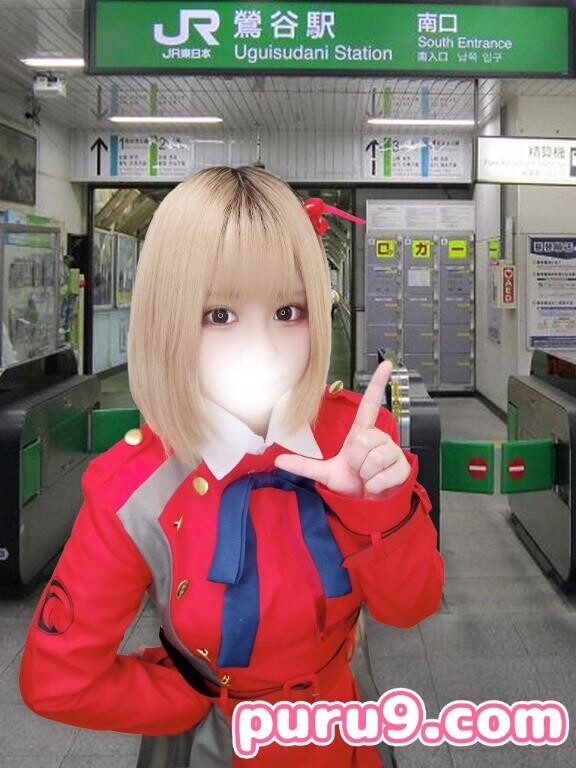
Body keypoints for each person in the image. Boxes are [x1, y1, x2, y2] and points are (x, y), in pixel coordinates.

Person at [19, 166, 444, 767]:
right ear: (168, 319)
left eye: (288, 311)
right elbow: (59, 680)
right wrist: (190, 701)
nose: (262, 348)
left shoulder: (352, 437)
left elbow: (411, 608)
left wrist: (378, 507)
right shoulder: (135, 488)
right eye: (220, 315)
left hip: (343, 736)